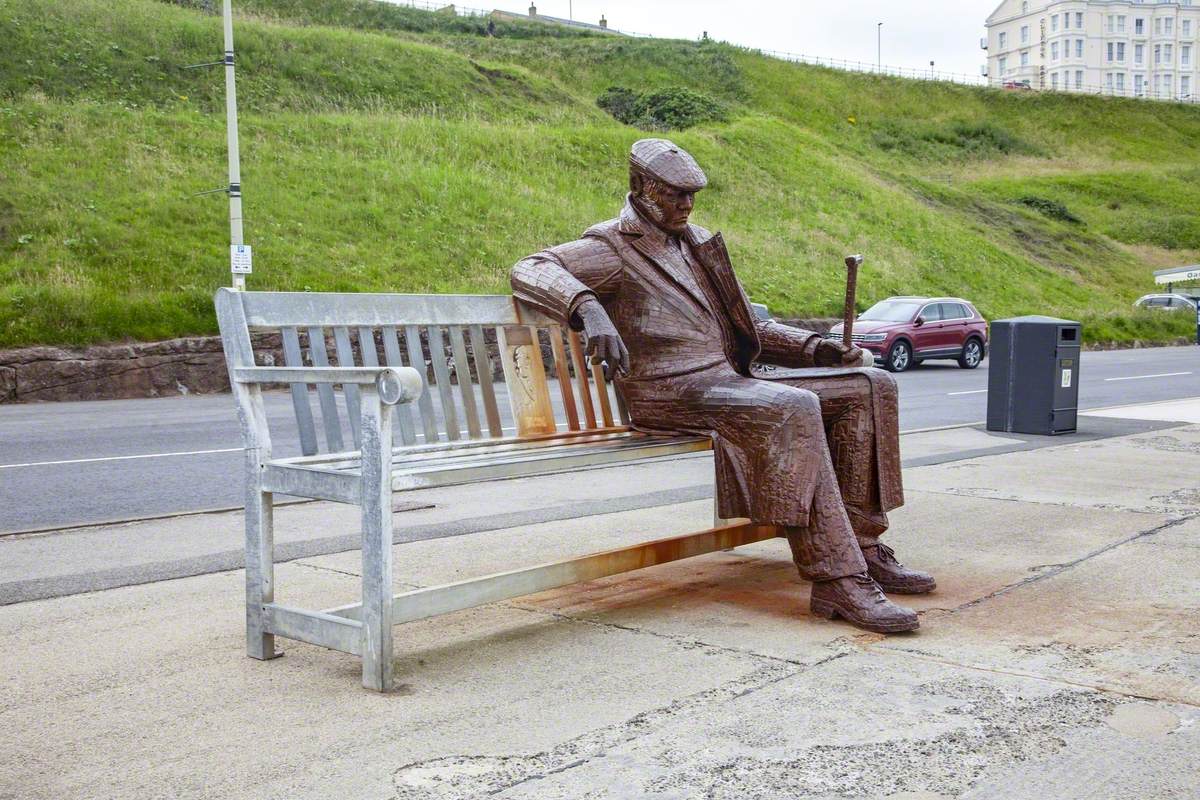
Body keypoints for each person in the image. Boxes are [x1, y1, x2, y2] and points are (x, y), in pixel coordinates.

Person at [510, 138, 935, 633]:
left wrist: (813, 348)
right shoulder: (611, 247)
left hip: (724, 384)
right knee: (791, 405)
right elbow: (531, 267)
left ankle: (861, 546)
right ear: (638, 187)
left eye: (691, 194)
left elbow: (746, 329)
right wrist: (587, 307)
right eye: (673, 194)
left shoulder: (696, 243)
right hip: (669, 391)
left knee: (870, 385)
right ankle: (837, 579)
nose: (685, 204)